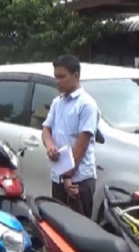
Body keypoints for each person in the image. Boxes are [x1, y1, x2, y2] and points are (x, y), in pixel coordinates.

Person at [41, 55, 100, 217]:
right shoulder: (57, 103)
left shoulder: (86, 104)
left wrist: (68, 176)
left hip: (78, 179)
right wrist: (50, 146)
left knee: (79, 229)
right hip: (59, 176)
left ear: (75, 75)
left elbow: (81, 146)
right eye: (56, 77)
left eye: (62, 77)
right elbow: (46, 130)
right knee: (58, 226)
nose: (58, 81)